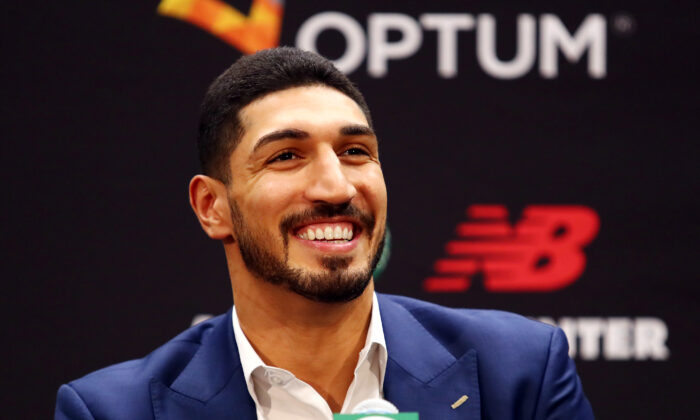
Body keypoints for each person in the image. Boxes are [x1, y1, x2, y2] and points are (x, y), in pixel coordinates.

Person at [55, 47, 594, 420]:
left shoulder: (521, 372)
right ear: (212, 206)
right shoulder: (112, 410)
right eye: (287, 156)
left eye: (355, 152)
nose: (336, 187)